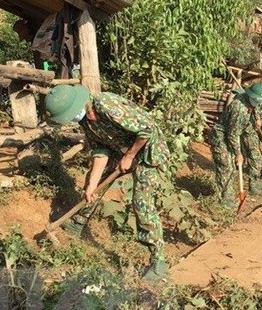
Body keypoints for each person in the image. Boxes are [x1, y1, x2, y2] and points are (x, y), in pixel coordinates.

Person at [44, 85, 170, 284]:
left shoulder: (105, 104)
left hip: (148, 151)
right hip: (121, 150)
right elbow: (101, 151)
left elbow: (147, 129)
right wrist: (92, 185)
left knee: (142, 203)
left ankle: (158, 263)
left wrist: (129, 156)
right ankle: (78, 223)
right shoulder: (86, 121)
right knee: (94, 182)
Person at [210, 83, 262, 207]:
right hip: (221, 136)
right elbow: (233, 134)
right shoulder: (239, 109)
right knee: (226, 166)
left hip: (231, 134)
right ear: (251, 97)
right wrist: (238, 153)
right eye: (257, 101)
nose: (258, 103)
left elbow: (255, 108)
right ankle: (224, 199)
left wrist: (257, 118)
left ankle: (228, 196)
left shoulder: (248, 99)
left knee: (231, 167)